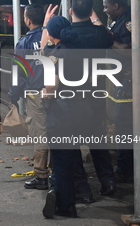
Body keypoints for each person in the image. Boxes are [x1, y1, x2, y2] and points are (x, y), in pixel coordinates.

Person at [41, 15, 92, 219]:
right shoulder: (82, 51)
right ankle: (68, 195)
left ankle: (66, 205)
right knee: (71, 158)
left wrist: (44, 92)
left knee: (61, 160)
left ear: (52, 34)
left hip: (62, 113)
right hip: (83, 111)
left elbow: (52, 85)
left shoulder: (56, 55)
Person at [69, 0, 116, 200]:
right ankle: (108, 181)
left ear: (71, 11)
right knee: (98, 140)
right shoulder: (100, 35)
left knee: (72, 144)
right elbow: (108, 36)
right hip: (96, 95)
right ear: (90, 12)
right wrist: (95, 18)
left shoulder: (67, 34)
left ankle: (82, 189)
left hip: (72, 98)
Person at [8, 4, 49, 190]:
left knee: (39, 133)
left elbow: (19, 73)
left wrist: (13, 94)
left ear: (28, 20)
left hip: (35, 93)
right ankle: (58, 170)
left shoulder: (24, 43)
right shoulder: (52, 36)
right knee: (56, 129)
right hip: (56, 91)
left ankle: (41, 175)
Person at [103, 0, 133, 183]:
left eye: (106, 6)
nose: (105, 10)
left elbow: (128, 50)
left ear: (116, 5)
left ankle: (125, 170)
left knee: (125, 126)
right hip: (121, 80)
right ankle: (125, 166)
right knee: (123, 126)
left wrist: (109, 39)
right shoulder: (118, 20)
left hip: (129, 81)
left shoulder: (129, 21)